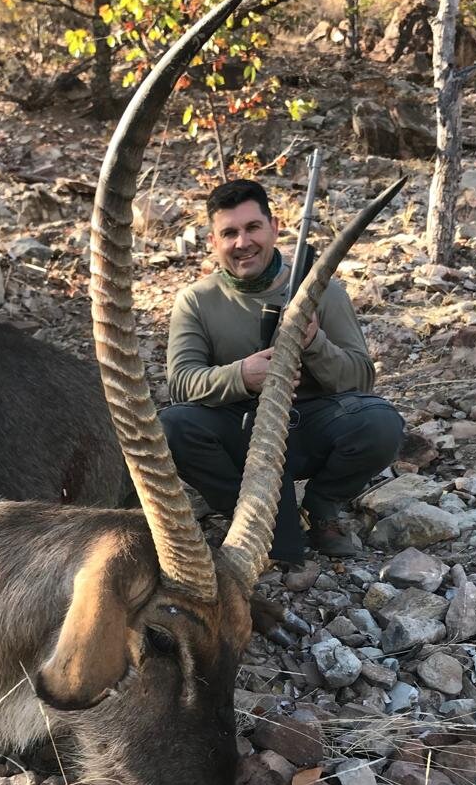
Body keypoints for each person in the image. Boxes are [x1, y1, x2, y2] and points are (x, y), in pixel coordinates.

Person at [160, 178, 403, 566]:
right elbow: (182, 384)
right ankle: (251, 514)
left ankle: (322, 507)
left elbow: (361, 379)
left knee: (381, 423)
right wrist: (242, 375)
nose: (243, 242)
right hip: (238, 433)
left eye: (253, 227)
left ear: (274, 227)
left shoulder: (323, 291)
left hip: (307, 429)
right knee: (172, 426)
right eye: (230, 233)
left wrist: (314, 342)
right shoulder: (195, 301)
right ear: (213, 241)